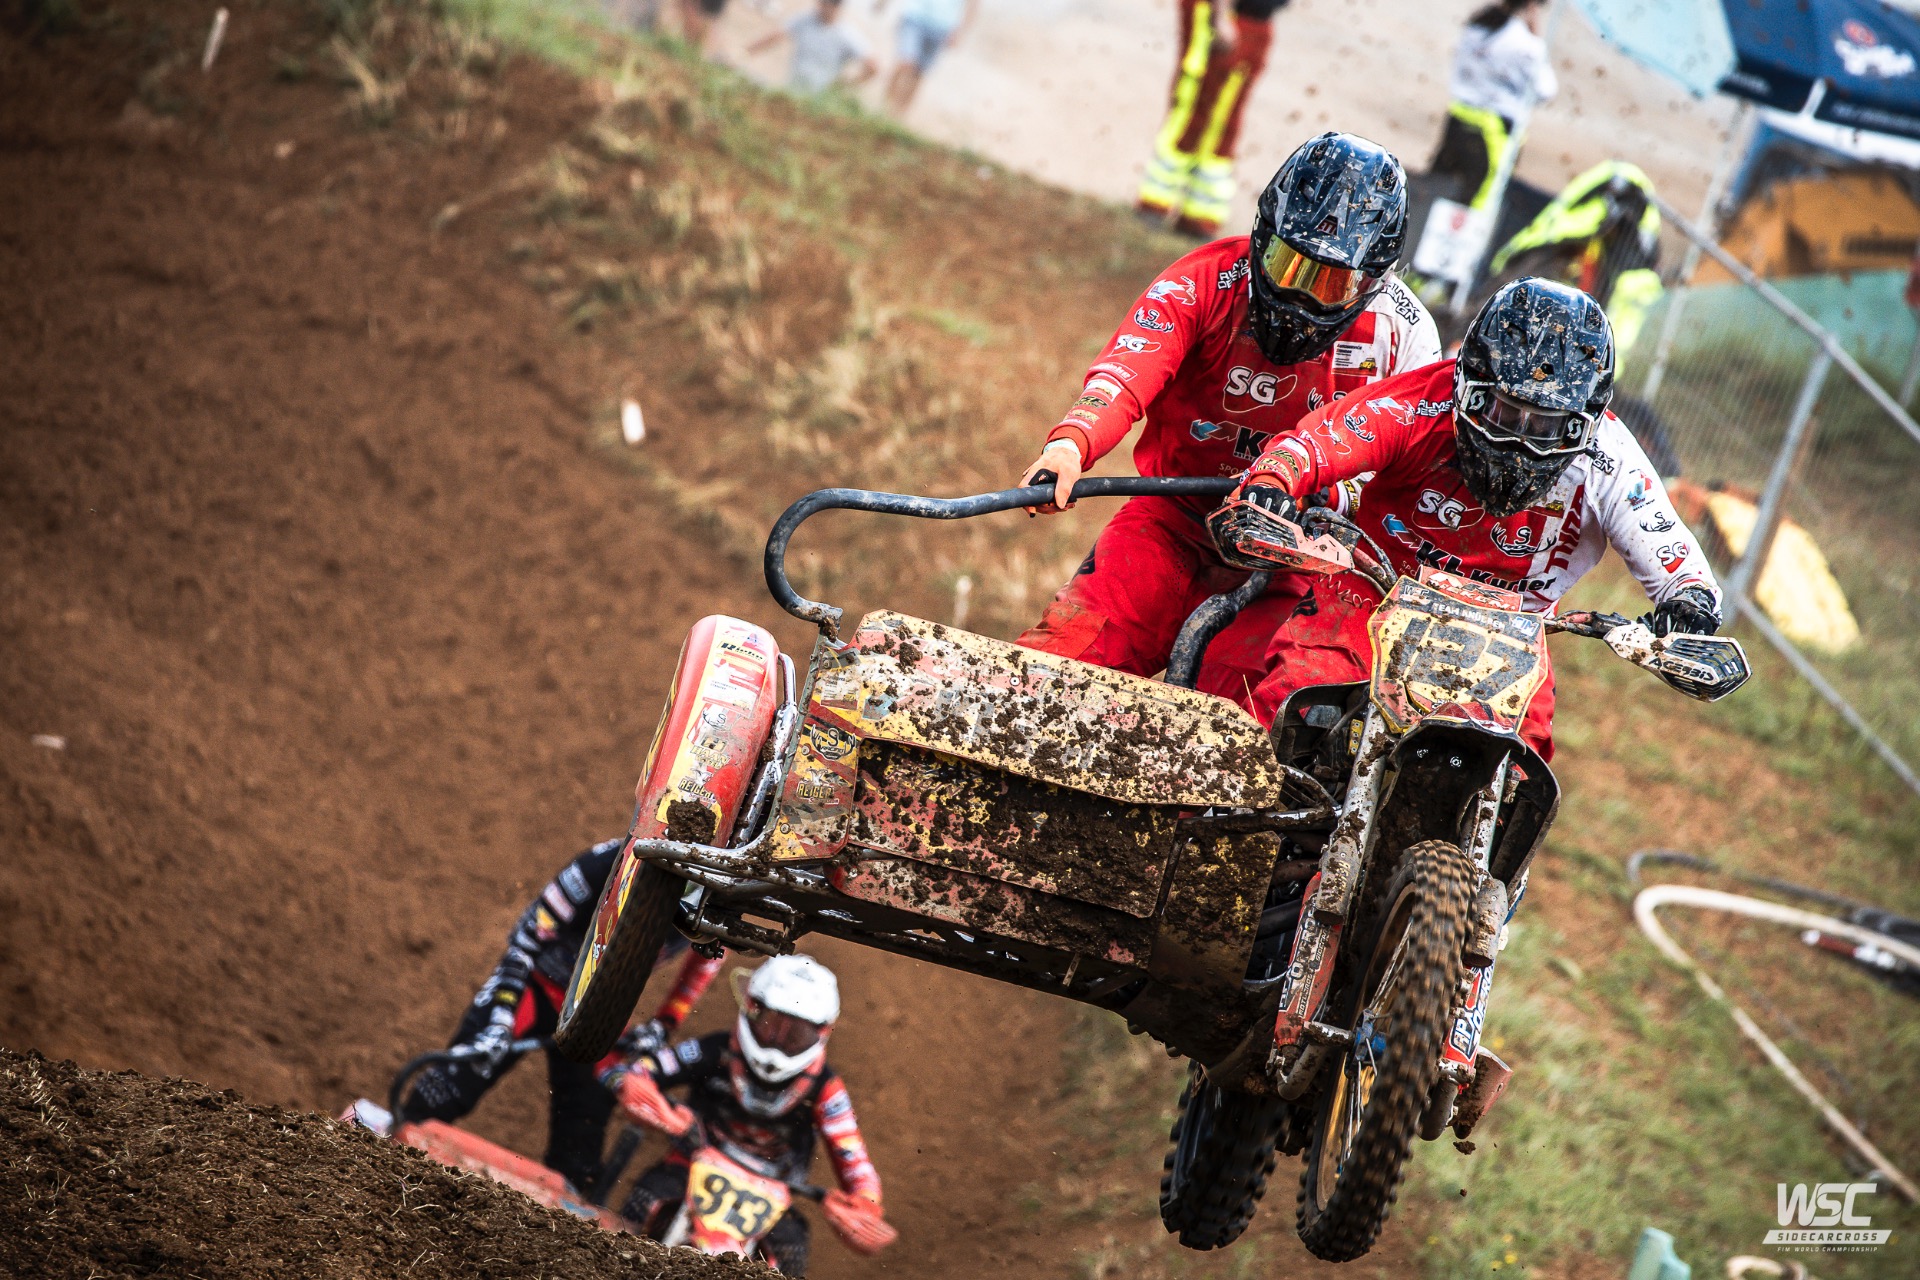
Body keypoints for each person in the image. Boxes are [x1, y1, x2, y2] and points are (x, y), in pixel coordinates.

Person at [1220, 276, 1724, 760]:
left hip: (1511, 640)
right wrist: (1272, 483)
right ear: (1468, 388)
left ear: (1582, 425)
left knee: (1522, 769)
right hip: (1369, 598)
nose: (1520, 440)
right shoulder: (1421, 401)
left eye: (1546, 425)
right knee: (1290, 705)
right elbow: (1317, 443)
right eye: (1505, 413)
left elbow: (1672, 554)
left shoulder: (1610, 459)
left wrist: (1689, 605)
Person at [1017, 132, 1440, 704]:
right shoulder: (1206, 277)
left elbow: (1407, 467)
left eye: (1330, 282)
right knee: (1055, 671)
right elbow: (1128, 369)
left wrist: (1327, 499)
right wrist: (1071, 444)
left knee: (1240, 720)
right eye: (1287, 265)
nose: (1300, 297)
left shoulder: (1405, 335)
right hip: (1173, 522)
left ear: (1373, 281)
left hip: (1300, 559)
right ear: (1262, 236)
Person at [397, 837, 726, 1194]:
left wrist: (663, 1025)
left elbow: (708, 960)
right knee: (448, 1085)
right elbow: (525, 939)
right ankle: (393, 1152)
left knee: (581, 1155)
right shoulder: (605, 864)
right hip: (534, 986)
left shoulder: (717, 899)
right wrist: (501, 1015)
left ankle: (563, 1219)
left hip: (595, 1011)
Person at [602, 954, 895, 1275]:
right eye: (772, 1025)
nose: (778, 1041)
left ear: (821, 1031)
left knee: (792, 1244)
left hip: (773, 1198)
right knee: (647, 1201)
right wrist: (637, 1090)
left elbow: (853, 1156)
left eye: (795, 1035)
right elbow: (643, 1070)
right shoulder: (717, 1049)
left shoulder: (826, 1087)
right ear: (752, 1008)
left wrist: (865, 1204)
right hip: (689, 1167)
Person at [1137, 0, 1292, 236]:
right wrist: (1220, 18)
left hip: (1254, 20)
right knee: (1193, 108)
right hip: (1223, 15)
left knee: (1225, 120)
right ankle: (1156, 202)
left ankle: (1198, 215)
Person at [1427, 0, 1557, 217]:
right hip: (1493, 133)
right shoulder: (1526, 44)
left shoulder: (1479, 24)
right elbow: (1546, 90)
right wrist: (1536, 37)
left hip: (1458, 119)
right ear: (1532, 7)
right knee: (1477, 207)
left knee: (1433, 190)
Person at [747, 0, 878, 96]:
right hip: (794, 87)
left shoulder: (847, 35)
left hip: (820, 97)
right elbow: (776, 36)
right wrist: (750, 50)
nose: (822, 7)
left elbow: (873, 66)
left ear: (836, 7)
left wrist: (848, 84)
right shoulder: (806, 20)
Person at [881, 0, 979, 114]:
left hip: (942, 26)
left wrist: (961, 32)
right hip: (915, 15)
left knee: (919, 73)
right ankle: (884, 105)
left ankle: (899, 113)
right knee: (905, 62)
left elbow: (973, 4)